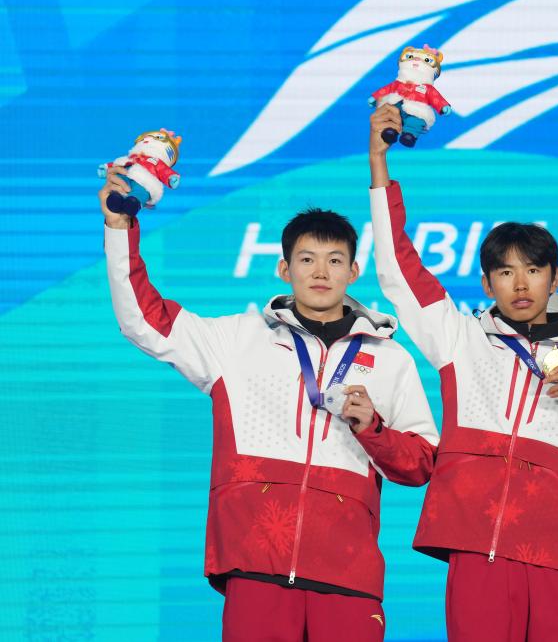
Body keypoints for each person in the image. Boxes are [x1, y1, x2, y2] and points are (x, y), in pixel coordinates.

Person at [100, 168, 439, 642]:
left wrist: (374, 430)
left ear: (353, 272)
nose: (320, 272)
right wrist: (120, 228)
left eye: (335, 260)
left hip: (348, 571)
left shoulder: (390, 359)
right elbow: (144, 320)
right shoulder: (236, 340)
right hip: (256, 560)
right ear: (284, 269)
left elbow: (422, 463)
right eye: (306, 259)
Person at [366, 105, 558, 641]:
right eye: (505, 272)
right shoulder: (459, 339)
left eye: (533, 270)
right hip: (476, 542)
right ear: (486, 283)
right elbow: (398, 271)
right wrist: (379, 164)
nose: (520, 284)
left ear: (555, 278)